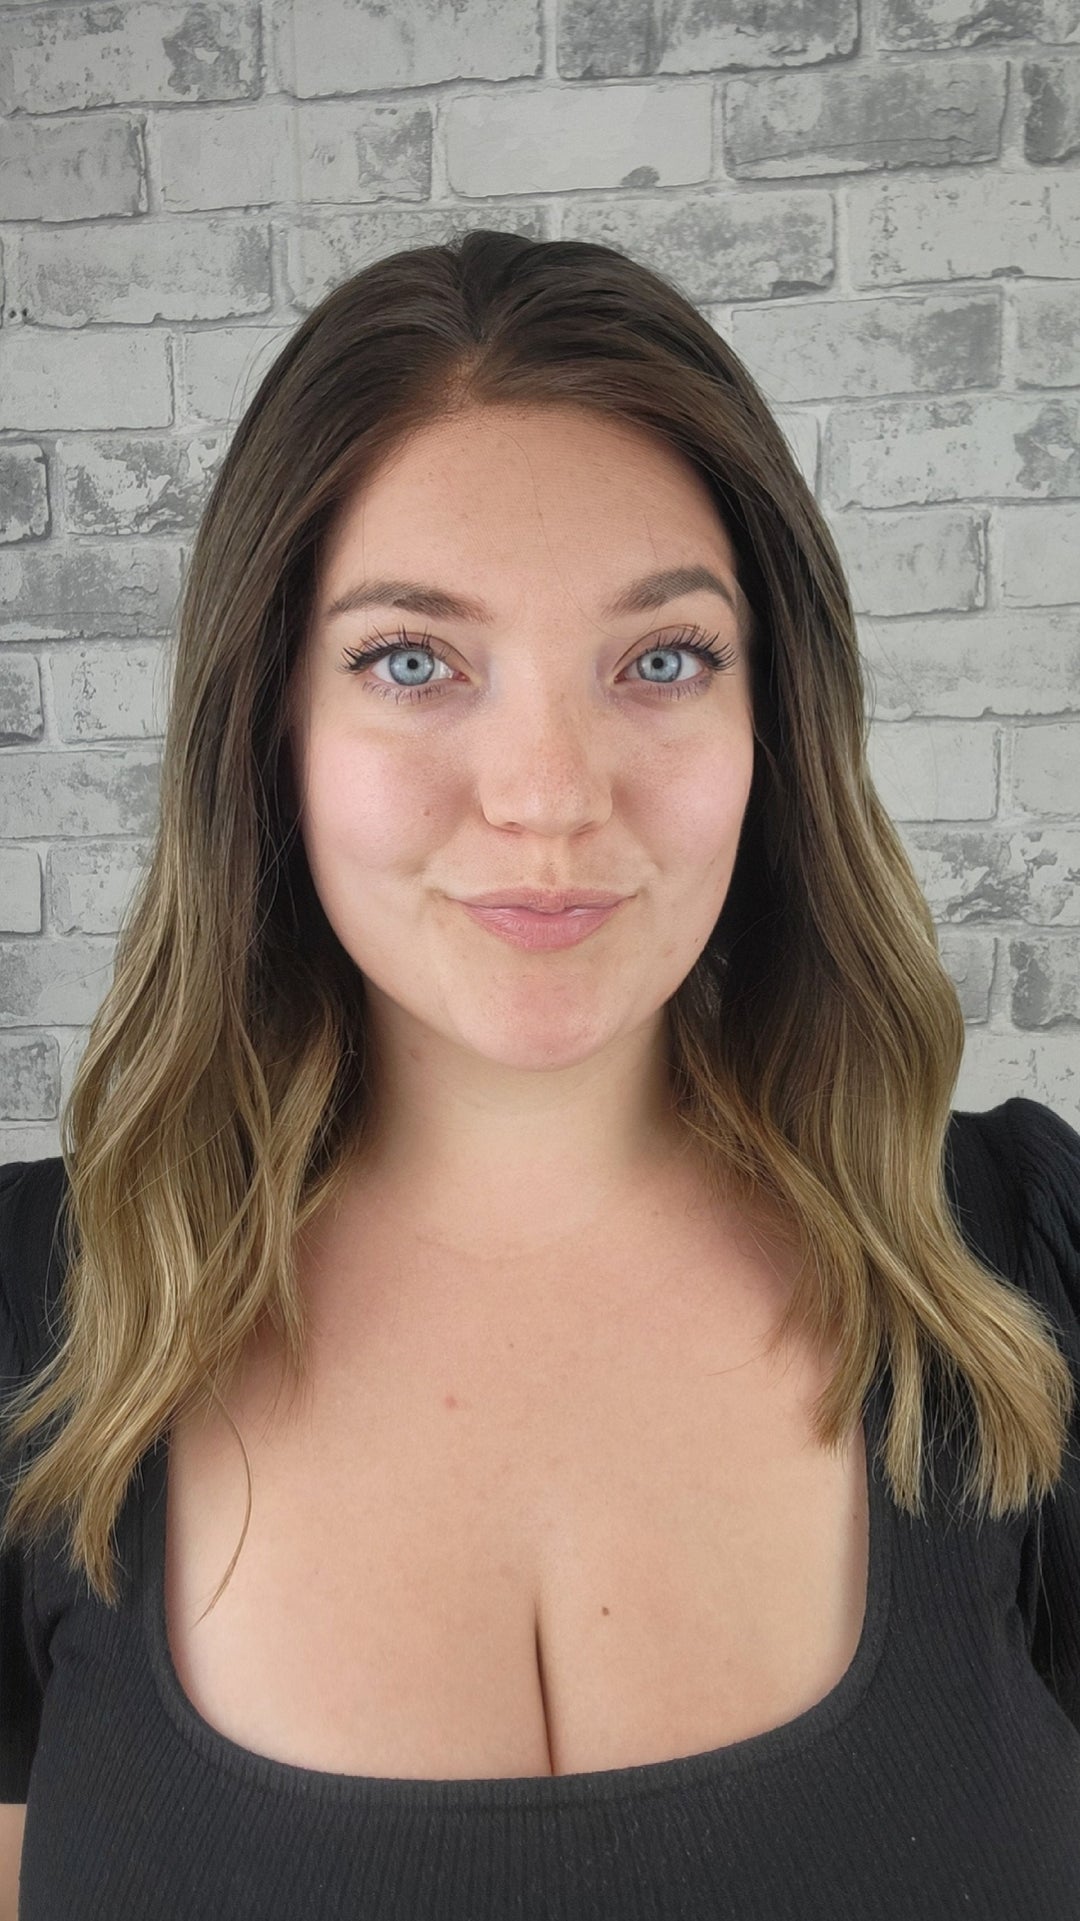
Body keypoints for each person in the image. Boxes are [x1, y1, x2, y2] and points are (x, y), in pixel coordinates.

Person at [1, 228, 1077, 1920]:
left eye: (662, 658)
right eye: (412, 660)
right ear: (270, 725)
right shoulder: (34, 1331)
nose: (549, 795)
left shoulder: (1026, 1269)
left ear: (773, 720)